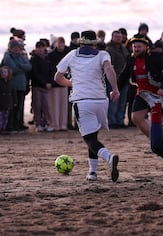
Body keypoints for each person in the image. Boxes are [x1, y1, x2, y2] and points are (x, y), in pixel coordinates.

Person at [54, 30, 120, 182]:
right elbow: (109, 69)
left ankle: (109, 157)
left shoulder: (72, 54)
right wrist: (115, 89)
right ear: (95, 43)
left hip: (83, 101)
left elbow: (57, 77)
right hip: (101, 101)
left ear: (81, 42)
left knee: (89, 139)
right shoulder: (103, 54)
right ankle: (92, 172)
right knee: (94, 135)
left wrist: (72, 83)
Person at [118, 34, 163, 141]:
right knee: (136, 118)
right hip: (143, 93)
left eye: (139, 47)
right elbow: (124, 75)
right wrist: (116, 90)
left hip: (158, 92)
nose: (136, 49)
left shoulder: (155, 57)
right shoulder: (131, 59)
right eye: (134, 47)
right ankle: (155, 140)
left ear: (145, 47)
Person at [1, 39, 32, 133]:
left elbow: (29, 67)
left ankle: (18, 125)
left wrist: (20, 66)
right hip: (13, 87)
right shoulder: (8, 56)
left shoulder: (20, 56)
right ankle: (11, 126)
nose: (16, 49)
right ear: (10, 48)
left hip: (21, 86)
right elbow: (12, 68)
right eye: (14, 47)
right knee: (12, 107)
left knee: (19, 107)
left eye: (18, 47)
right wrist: (22, 67)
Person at [105, 30, 130, 129]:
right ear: (112, 37)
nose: (118, 38)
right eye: (116, 37)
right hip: (113, 79)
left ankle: (120, 120)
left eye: (119, 37)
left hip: (124, 79)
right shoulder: (109, 50)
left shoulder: (124, 49)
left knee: (122, 102)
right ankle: (112, 121)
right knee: (113, 101)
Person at [30, 40, 54, 132]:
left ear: (45, 47)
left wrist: (50, 82)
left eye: (42, 47)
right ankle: (38, 124)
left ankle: (47, 123)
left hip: (47, 86)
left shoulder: (48, 58)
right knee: (37, 106)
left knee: (47, 106)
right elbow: (35, 73)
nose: (40, 49)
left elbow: (51, 71)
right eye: (38, 47)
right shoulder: (34, 58)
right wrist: (44, 83)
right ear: (36, 48)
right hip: (37, 86)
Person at [48, 36, 70, 131]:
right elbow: (49, 70)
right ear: (56, 44)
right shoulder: (51, 55)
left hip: (64, 82)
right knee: (54, 105)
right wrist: (50, 81)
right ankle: (55, 124)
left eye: (62, 43)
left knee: (64, 105)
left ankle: (63, 125)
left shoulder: (67, 54)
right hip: (54, 83)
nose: (61, 45)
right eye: (59, 43)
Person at [0, 66, 17, 134]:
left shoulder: (11, 83)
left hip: (8, 101)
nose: (3, 74)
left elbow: (13, 93)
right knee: (1, 116)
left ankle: (4, 128)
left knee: (6, 116)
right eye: (2, 72)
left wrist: (15, 101)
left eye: (5, 72)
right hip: (1, 101)